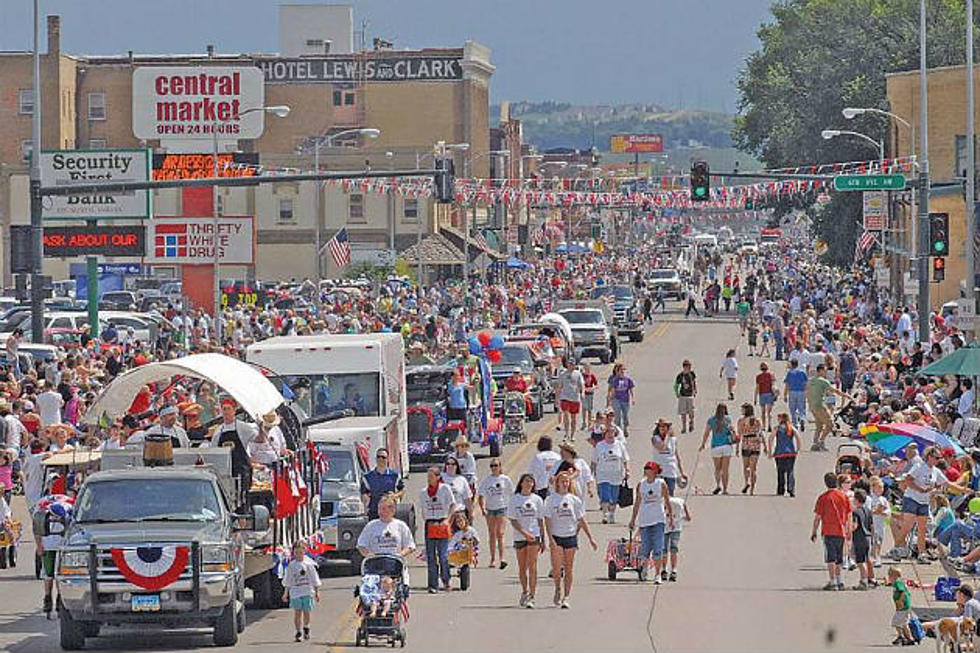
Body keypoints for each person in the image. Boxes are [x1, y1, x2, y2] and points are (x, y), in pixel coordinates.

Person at [544, 472, 597, 609]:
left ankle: (566, 596)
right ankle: (557, 588)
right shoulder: (551, 500)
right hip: (556, 536)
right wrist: (550, 539)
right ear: (557, 483)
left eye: (567, 481)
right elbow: (547, 520)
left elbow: (581, 520)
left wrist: (590, 538)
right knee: (557, 568)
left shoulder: (575, 500)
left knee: (569, 567)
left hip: (570, 536)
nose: (565, 483)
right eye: (562, 481)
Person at [890, 445, 947, 562]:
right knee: (908, 526)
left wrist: (963, 489)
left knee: (922, 528)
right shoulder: (919, 466)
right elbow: (908, 479)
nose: (938, 460)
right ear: (929, 457)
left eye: (939, 458)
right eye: (936, 458)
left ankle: (922, 554)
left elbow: (946, 483)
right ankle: (895, 548)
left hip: (924, 501)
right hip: (912, 498)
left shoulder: (936, 471)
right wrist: (919, 489)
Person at [628, 461, 674, 584]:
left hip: (658, 519)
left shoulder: (661, 483)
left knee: (658, 547)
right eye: (646, 468)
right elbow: (637, 503)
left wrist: (671, 517)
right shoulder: (641, 484)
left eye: (649, 469)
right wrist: (633, 520)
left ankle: (658, 574)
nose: (647, 470)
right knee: (645, 548)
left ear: (654, 471)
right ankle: (644, 569)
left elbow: (667, 500)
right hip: (645, 520)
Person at [508, 473, 546, 608]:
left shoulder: (537, 500)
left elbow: (540, 520)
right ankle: (524, 591)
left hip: (534, 536)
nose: (529, 484)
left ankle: (532, 596)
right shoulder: (515, 499)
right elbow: (513, 520)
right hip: (520, 536)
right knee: (522, 567)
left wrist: (543, 538)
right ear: (521, 483)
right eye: (526, 481)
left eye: (531, 482)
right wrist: (523, 532)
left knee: (533, 567)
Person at [418, 466, 457, 593]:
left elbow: (452, 505)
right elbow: (423, 509)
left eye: (431, 476)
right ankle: (432, 584)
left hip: (442, 522)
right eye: (428, 477)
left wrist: (448, 519)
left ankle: (446, 579)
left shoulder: (444, 489)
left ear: (438, 477)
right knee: (431, 556)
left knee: (443, 555)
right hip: (430, 524)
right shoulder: (423, 492)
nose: (429, 479)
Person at [810, 472, 852, 591]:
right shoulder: (844, 497)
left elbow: (817, 517)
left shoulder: (823, 498)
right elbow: (849, 514)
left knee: (830, 558)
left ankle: (833, 581)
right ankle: (840, 580)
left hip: (828, 530)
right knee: (839, 558)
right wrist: (849, 529)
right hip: (841, 530)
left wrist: (814, 531)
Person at [477, 458, 514, 570]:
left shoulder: (505, 479)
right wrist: (483, 508)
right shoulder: (487, 480)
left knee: (500, 533)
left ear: (500, 467)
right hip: (490, 509)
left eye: (496, 466)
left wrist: (512, 508)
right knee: (492, 533)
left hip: (502, 508)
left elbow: (512, 494)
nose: (494, 468)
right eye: (492, 466)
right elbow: (481, 495)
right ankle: (493, 558)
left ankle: (502, 558)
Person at [281, 539, 321, 642]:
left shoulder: (309, 564)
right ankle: (298, 631)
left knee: (306, 612)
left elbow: (314, 578)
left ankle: (306, 627)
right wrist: (285, 593)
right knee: (297, 613)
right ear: (293, 553)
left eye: (300, 552)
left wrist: (317, 592)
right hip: (295, 593)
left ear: (305, 551)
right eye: (296, 553)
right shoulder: (291, 565)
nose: (298, 555)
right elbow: (288, 580)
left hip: (307, 591)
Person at [356, 494, 416, 559]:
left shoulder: (401, 525)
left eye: (384, 509)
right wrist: (369, 555)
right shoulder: (371, 526)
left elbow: (410, 546)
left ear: (393, 510)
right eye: (379, 508)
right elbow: (361, 545)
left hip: (396, 563)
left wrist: (400, 555)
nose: (381, 511)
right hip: (376, 563)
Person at [592, 424, 630, 523]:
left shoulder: (619, 445)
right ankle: (605, 514)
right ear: (605, 434)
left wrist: (627, 470)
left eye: (612, 432)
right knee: (605, 495)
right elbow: (594, 460)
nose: (610, 434)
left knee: (614, 496)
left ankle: (612, 514)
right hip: (603, 474)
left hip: (616, 474)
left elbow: (625, 459)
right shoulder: (600, 446)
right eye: (608, 432)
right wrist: (592, 473)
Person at [806, 363, 849, 451]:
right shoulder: (823, 381)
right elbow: (834, 390)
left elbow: (807, 393)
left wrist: (810, 404)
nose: (826, 372)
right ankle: (821, 441)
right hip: (820, 405)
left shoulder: (811, 381)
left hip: (813, 405)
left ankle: (815, 443)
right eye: (825, 370)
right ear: (820, 370)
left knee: (819, 425)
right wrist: (846, 396)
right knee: (830, 424)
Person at [360, 448, 405, 521]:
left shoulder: (394, 476)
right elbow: (363, 493)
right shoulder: (367, 477)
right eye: (378, 457)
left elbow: (402, 490)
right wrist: (366, 499)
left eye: (383, 457)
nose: (381, 459)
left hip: (390, 512)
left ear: (387, 459)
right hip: (374, 512)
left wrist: (394, 496)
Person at [699, 403, 735, 495]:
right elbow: (732, 430)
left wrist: (703, 444)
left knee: (717, 468)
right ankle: (725, 489)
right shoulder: (728, 419)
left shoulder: (711, 420)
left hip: (716, 446)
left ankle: (718, 485)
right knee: (725, 469)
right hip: (726, 446)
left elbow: (706, 433)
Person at [651, 418, 687, 495]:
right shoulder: (655, 439)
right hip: (659, 472)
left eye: (665, 426)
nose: (662, 428)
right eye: (660, 426)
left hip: (670, 471)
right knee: (659, 494)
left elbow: (676, 456)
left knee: (670, 494)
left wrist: (681, 472)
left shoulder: (673, 440)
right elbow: (661, 448)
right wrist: (667, 435)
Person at [768, 412, 800, 497]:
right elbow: (798, 437)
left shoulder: (777, 428)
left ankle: (781, 489)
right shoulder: (791, 428)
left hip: (780, 453)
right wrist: (797, 449)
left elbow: (770, 439)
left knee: (780, 472)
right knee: (790, 471)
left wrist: (770, 451)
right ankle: (791, 489)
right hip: (790, 453)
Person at [736, 403, 766, 495]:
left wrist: (737, 447)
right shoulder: (757, 420)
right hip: (756, 444)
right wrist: (765, 445)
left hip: (746, 443)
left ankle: (747, 482)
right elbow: (760, 433)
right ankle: (752, 489)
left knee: (746, 466)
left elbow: (739, 435)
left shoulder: (741, 421)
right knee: (754, 468)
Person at [663, 493, 691, 582]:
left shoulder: (661, 502)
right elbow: (689, 517)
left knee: (664, 550)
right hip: (676, 528)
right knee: (673, 549)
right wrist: (681, 517)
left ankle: (664, 570)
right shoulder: (681, 502)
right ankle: (674, 570)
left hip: (664, 528)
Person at [555, 357, 584, 441]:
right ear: (567, 364)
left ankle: (572, 435)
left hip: (575, 398)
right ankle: (566, 433)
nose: (571, 365)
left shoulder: (578, 374)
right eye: (569, 363)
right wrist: (557, 398)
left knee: (573, 418)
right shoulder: (563, 374)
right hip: (565, 397)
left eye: (572, 364)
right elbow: (559, 387)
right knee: (566, 415)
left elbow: (581, 384)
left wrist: (582, 393)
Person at [851, 488, 875, 590]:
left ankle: (863, 581)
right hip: (868, 537)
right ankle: (871, 578)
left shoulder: (855, 512)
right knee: (867, 558)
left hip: (859, 537)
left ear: (856, 500)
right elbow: (872, 525)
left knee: (860, 561)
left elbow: (855, 526)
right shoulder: (868, 511)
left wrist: (849, 529)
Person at [886, 566, 915, 645]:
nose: (889, 577)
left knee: (897, 622)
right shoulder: (897, 582)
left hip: (903, 606)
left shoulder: (898, 582)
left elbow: (902, 592)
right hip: (903, 607)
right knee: (903, 623)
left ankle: (903, 637)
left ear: (894, 576)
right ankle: (906, 637)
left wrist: (900, 601)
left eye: (890, 576)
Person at [607, 363, 636, 437]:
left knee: (625, 415)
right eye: (621, 370)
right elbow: (612, 390)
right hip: (616, 399)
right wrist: (610, 400)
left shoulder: (628, 379)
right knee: (617, 416)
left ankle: (625, 427)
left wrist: (633, 398)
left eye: (623, 370)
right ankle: (619, 431)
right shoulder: (615, 380)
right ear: (617, 371)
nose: (622, 371)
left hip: (625, 400)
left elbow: (631, 389)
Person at [528, 436, 561, 500]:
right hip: (556, 487)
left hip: (542, 488)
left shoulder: (538, 457)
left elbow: (532, 474)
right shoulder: (557, 457)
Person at [782, 358, 808, 433]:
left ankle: (795, 423)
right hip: (801, 391)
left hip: (792, 391)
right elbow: (806, 383)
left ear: (791, 365)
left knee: (792, 408)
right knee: (801, 407)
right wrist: (806, 392)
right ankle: (802, 418)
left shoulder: (790, 373)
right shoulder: (802, 372)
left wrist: (785, 394)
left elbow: (787, 384)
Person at [675, 360, 697, 434]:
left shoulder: (692, 374)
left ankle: (691, 422)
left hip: (690, 395)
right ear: (684, 367)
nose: (690, 368)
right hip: (683, 395)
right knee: (683, 413)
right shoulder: (680, 376)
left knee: (691, 412)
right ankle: (684, 427)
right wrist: (677, 392)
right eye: (688, 367)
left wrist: (695, 390)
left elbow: (693, 382)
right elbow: (676, 385)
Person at [754, 362, 776, 431]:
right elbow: (773, 385)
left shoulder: (758, 376)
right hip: (769, 394)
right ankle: (769, 425)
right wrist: (775, 394)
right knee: (769, 412)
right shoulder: (771, 375)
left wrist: (755, 398)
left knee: (763, 412)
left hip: (762, 394)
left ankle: (763, 426)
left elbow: (757, 387)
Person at [580, 363, 598, 431]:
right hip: (584, 394)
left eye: (588, 368)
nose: (587, 369)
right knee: (584, 408)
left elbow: (596, 385)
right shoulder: (582, 376)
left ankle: (589, 423)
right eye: (585, 368)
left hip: (590, 393)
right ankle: (584, 422)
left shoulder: (592, 376)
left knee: (589, 409)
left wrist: (592, 388)